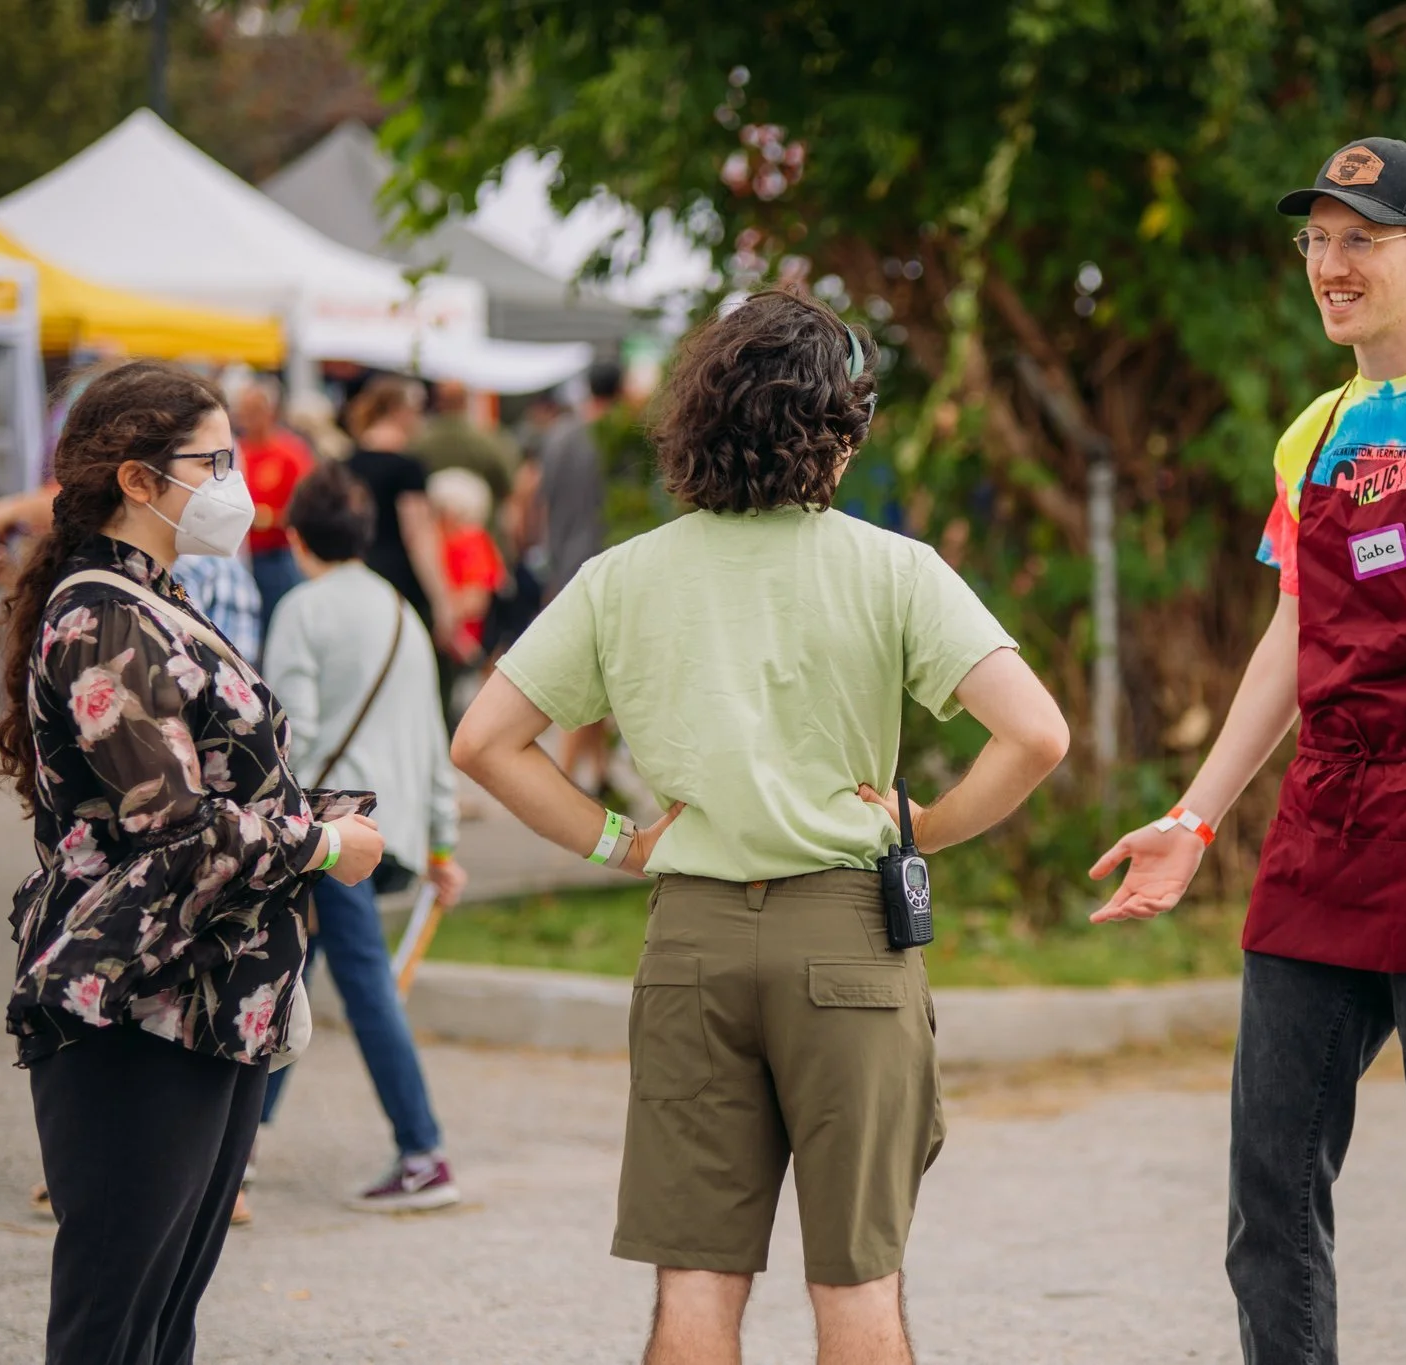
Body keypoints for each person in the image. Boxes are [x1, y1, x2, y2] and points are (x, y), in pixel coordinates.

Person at [452, 291, 1070, 1365]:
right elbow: (1035, 735)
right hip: (849, 943)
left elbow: (484, 743)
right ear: (838, 429)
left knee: (694, 1284)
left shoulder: (621, 579)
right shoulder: (893, 570)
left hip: (691, 941)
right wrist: (921, 825)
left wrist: (619, 842)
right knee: (858, 1285)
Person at [1089, 138, 1406, 1365]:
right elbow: (1291, 639)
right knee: (1269, 1193)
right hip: (1325, 820)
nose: (1330, 263)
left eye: (1361, 237)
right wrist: (1193, 822)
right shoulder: (1307, 436)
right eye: (1316, 237)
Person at [0, 359, 384, 1364]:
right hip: (137, 1005)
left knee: (163, 1322)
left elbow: (218, 786)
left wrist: (318, 814)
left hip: (209, 997)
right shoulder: (99, 618)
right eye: (214, 460)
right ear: (135, 477)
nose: (236, 482)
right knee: (111, 1322)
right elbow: (173, 828)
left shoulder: (153, 598)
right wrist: (324, 843)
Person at [259, 461, 468, 1211]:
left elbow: (292, 734)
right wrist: (442, 847)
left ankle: (423, 1148)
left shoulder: (301, 610)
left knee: (354, 979)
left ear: (294, 535)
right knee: (299, 965)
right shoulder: (403, 613)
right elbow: (431, 735)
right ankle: (243, 1134)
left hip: (328, 830)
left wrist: (272, 822)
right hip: (391, 831)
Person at [534, 360, 622, 791]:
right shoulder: (618, 441)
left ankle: (599, 771)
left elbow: (542, 502)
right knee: (592, 681)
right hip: (607, 565)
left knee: (591, 675)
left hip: (564, 564)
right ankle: (564, 779)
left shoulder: (558, 436)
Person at [343, 378, 455, 644]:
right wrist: (442, 600)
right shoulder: (407, 468)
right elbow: (419, 535)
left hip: (357, 575)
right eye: (417, 409)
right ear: (397, 411)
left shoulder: (346, 463)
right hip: (400, 581)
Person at [232, 377, 314, 625]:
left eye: (255, 411)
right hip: (240, 553)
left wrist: (268, 517)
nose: (248, 418)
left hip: (277, 556)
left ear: (272, 411)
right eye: (244, 411)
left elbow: (306, 505)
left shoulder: (290, 452)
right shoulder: (236, 451)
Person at [428, 466, 503, 665]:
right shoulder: (443, 539)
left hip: (465, 645)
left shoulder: (472, 541)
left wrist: (438, 609)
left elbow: (475, 600)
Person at [410, 378, 519, 511]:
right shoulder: (487, 439)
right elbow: (506, 484)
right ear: (466, 401)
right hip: (479, 526)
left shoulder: (419, 441)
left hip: (433, 525)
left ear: (438, 401)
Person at [171, 552, 264, 667]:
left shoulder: (189, 565)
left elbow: (178, 641)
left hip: (199, 672)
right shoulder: (239, 571)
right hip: (235, 676)